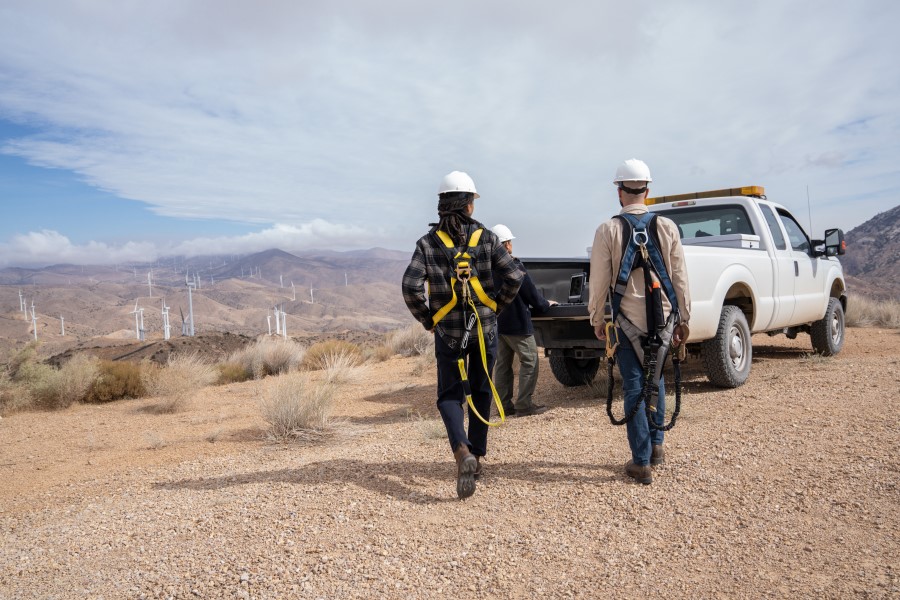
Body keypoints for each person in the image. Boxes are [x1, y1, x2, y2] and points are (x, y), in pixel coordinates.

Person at [402, 171, 524, 499]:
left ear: (442, 205)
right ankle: (478, 457)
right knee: (482, 389)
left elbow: (410, 286)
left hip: (450, 334)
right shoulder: (486, 239)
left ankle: (461, 451)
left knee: (450, 395)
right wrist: (496, 307)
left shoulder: (427, 244)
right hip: (484, 331)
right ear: (469, 205)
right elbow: (513, 275)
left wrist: (428, 319)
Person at [588, 159, 691, 485]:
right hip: (663, 323)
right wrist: (684, 319)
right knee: (656, 380)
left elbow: (599, 281)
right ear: (647, 189)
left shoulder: (608, 230)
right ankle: (656, 447)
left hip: (626, 323)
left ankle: (642, 461)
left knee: (635, 385)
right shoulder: (667, 227)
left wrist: (597, 318)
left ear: (619, 192)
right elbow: (680, 278)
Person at [490, 224, 557, 417]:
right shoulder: (514, 265)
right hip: (518, 324)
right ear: (507, 244)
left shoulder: (487, 267)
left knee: (503, 365)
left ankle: (504, 405)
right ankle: (524, 405)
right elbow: (530, 295)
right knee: (530, 361)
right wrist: (545, 305)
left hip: (498, 324)